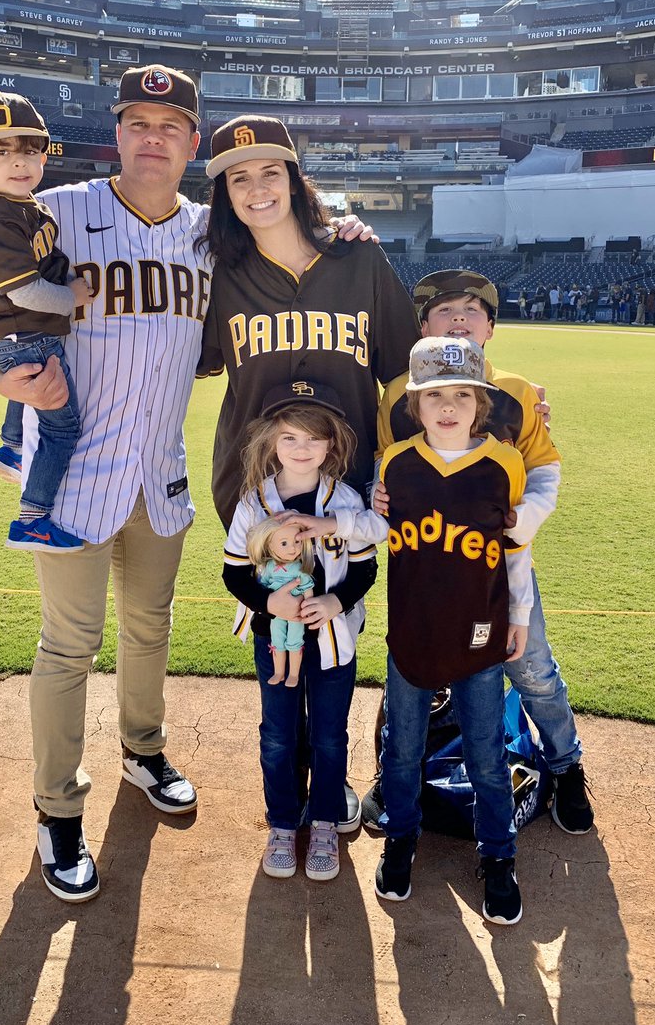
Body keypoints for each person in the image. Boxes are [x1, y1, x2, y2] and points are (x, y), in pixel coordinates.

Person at [0, 65, 377, 903]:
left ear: (193, 143)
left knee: (149, 628)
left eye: (172, 125)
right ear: (116, 133)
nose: (154, 137)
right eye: (138, 122)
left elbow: (290, 258)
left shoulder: (206, 232)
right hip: (73, 471)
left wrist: (344, 229)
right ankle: (57, 813)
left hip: (159, 472)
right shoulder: (61, 208)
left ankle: (143, 749)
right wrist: (1, 381)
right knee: (69, 647)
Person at [290, 338, 532, 922]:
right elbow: (376, 525)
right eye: (433, 397)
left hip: (479, 633)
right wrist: (325, 523)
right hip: (413, 633)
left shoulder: (504, 462)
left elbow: (516, 548)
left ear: (479, 403)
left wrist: (519, 617)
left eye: (460, 395)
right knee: (401, 751)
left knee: (486, 753)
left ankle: (498, 856)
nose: (447, 407)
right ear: (415, 406)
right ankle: (402, 839)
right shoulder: (396, 463)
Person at [364, 271, 594, 837]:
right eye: (445, 311)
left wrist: (523, 522)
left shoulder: (515, 393)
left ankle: (566, 766)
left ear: (491, 327)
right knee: (412, 667)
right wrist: (378, 490)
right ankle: (400, 774)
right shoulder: (398, 393)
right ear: (423, 328)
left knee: (531, 666)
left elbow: (543, 469)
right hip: (423, 565)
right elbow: (383, 462)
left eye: (473, 310)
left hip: (495, 566)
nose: (460, 318)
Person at [197, 114, 419, 529]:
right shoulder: (219, 273)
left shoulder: (359, 256)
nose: (258, 189)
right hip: (252, 482)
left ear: (294, 180)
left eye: (270, 173)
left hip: (350, 482)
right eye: (239, 178)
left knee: (343, 595)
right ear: (225, 194)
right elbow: (183, 357)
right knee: (266, 594)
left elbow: (406, 372)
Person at [222, 383, 378, 882]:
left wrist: (335, 600)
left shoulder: (345, 502)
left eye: (313, 438)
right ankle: (284, 823)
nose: (302, 448)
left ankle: (327, 822)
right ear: (272, 443)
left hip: (333, 639)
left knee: (331, 735)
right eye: (290, 438)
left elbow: (364, 568)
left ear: (331, 444)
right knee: (278, 735)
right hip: (276, 640)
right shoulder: (255, 502)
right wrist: (270, 601)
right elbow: (234, 571)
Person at [0, 91, 95, 553]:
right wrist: (72, 297)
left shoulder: (18, 203)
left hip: (19, 335)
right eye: (1, 152)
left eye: (29, 151)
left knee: (29, 384)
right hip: (22, 332)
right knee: (63, 429)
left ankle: (12, 444)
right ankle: (32, 519)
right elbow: (26, 291)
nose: (20, 163)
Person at [247, 518, 314, 687]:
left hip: (296, 614)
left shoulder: (300, 568)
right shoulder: (269, 567)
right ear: (269, 545)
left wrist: (309, 608)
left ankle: (293, 674)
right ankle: (279, 672)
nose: (292, 548)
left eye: (297, 542)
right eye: (284, 543)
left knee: (294, 641)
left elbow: (307, 589)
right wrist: (266, 602)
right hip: (275, 614)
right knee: (277, 640)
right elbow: (261, 587)